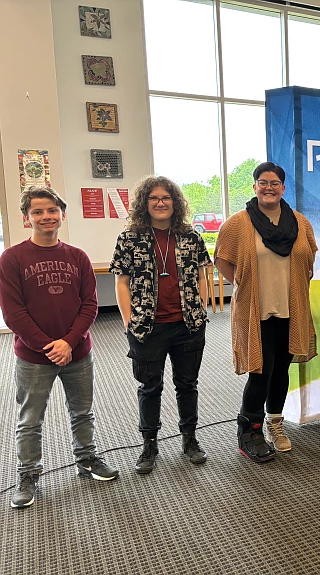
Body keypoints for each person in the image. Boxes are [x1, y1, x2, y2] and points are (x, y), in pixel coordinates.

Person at [0, 186, 118, 509]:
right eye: (38, 212)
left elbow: (90, 306)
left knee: (82, 412)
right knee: (30, 419)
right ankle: (28, 474)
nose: (46, 217)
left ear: (61, 215)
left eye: (52, 211)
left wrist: (68, 342)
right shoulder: (11, 259)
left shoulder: (77, 257)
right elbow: (13, 313)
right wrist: (49, 347)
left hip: (78, 352)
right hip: (33, 358)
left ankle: (87, 459)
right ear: (27, 218)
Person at [215, 162, 317, 462]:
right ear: (255, 187)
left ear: (283, 188)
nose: (269, 187)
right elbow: (222, 258)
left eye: (274, 182)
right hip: (255, 312)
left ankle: (275, 423)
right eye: (263, 182)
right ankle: (249, 432)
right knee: (260, 372)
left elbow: (308, 258)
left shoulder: (299, 223)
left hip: (290, 310)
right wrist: (243, 285)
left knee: (281, 370)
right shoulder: (238, 223)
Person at [111, 176, 210, 474]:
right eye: (154, 198)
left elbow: (202, 276)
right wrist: (129, 321)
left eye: (166, 198)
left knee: (187, 384)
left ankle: (190, 438)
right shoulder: (129, 238)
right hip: (147, 327)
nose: (160, 202)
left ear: (175, 202)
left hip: (187, 326)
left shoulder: (190, 236)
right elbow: (121, 282)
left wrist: (200, 310)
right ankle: (149, 443)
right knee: (150, 386)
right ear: (145, 203)